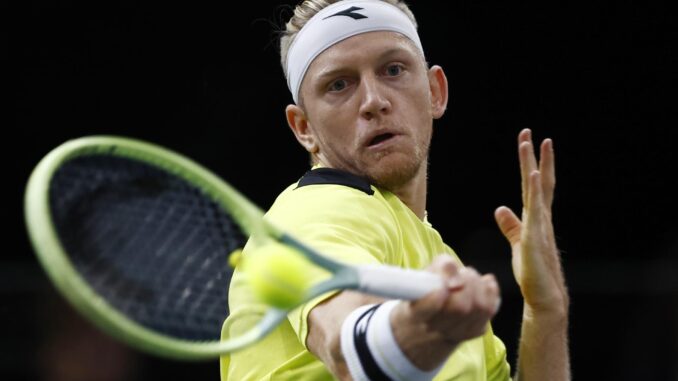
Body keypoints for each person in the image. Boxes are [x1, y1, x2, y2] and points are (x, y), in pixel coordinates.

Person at [221, 0, 570, 380]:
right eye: (339, 84)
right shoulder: (314, 210)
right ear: (303, 128)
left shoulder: (439, 256)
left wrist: (546, 309)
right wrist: (419, 328)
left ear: (436, 91)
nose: (373, 101)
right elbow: (347, 345)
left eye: (393, 69)